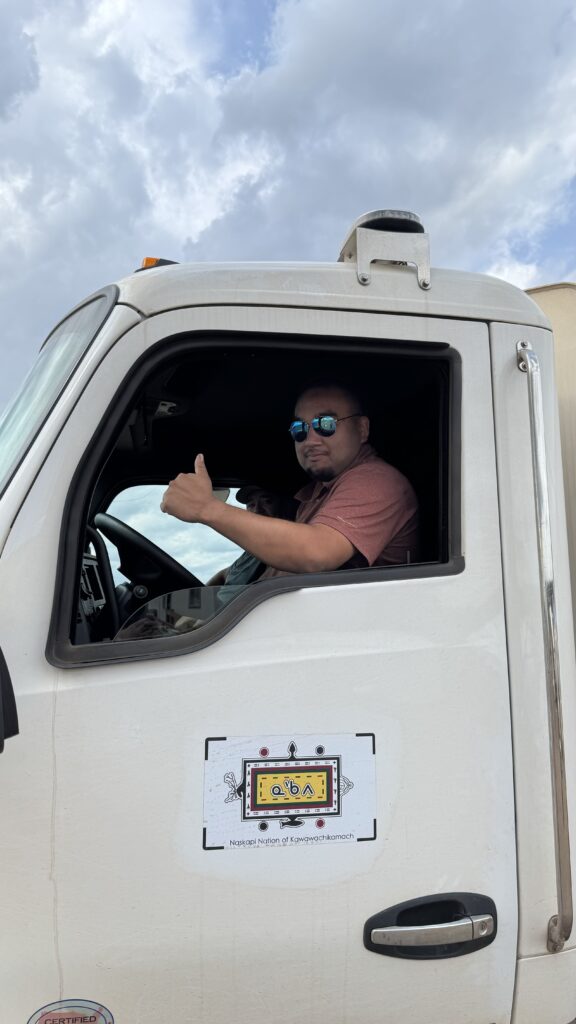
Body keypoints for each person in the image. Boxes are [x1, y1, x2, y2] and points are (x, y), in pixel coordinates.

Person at [160, 382, 419, 575]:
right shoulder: (318, 492)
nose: (310, 439)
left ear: (362, 429)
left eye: (325, 423)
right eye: (299, 428)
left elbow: (316, 553)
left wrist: (207, 508)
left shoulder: (377, 481)